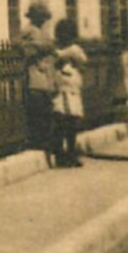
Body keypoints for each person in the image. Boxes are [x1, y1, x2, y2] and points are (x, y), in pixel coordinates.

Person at [20, 3, 58, 162]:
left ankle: (44, 142)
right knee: (39, 112)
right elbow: (27, 49)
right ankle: (39, 142)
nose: (43, 21)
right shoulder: (30, 32)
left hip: (44, 78)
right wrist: (45, 47)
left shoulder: (40, 32)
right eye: (41, 18)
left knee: (45, 112)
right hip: (35, 78)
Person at [52, 19, 88, 168]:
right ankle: (61, 154)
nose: (64, 37)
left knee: (72, 123)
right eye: (62, 34)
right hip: (61, 89)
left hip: (72, 89)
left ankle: (71, 153)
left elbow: (83, 62)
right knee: (61, 121)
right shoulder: (57, 50)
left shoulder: (75, 49)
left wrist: (73, 61)